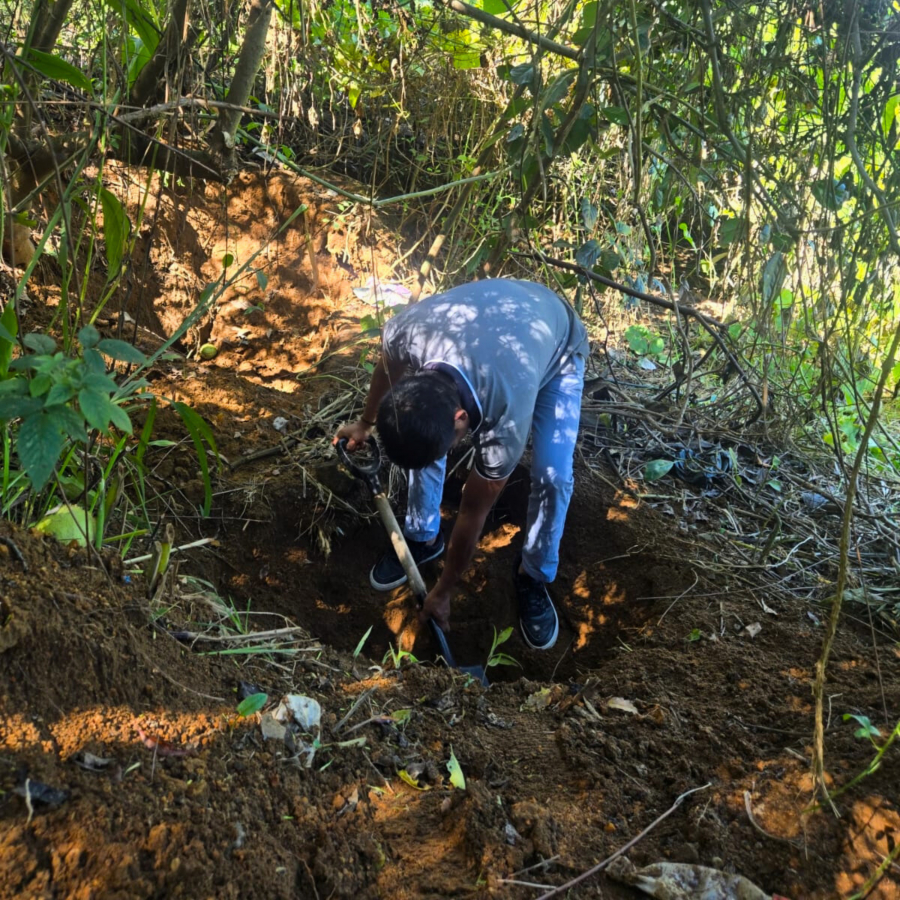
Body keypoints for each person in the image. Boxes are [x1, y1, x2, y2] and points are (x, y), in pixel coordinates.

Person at [334, 277, 588, 651]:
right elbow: (386, 369)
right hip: (493, 315)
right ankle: (422, 537)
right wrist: (366, 423)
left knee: (554, 475)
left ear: (460, 418)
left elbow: (474, 511)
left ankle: (534, 575)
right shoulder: (406, 332)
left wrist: (444, 590)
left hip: (556, 345)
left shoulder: (508, 412)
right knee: (422, 439)